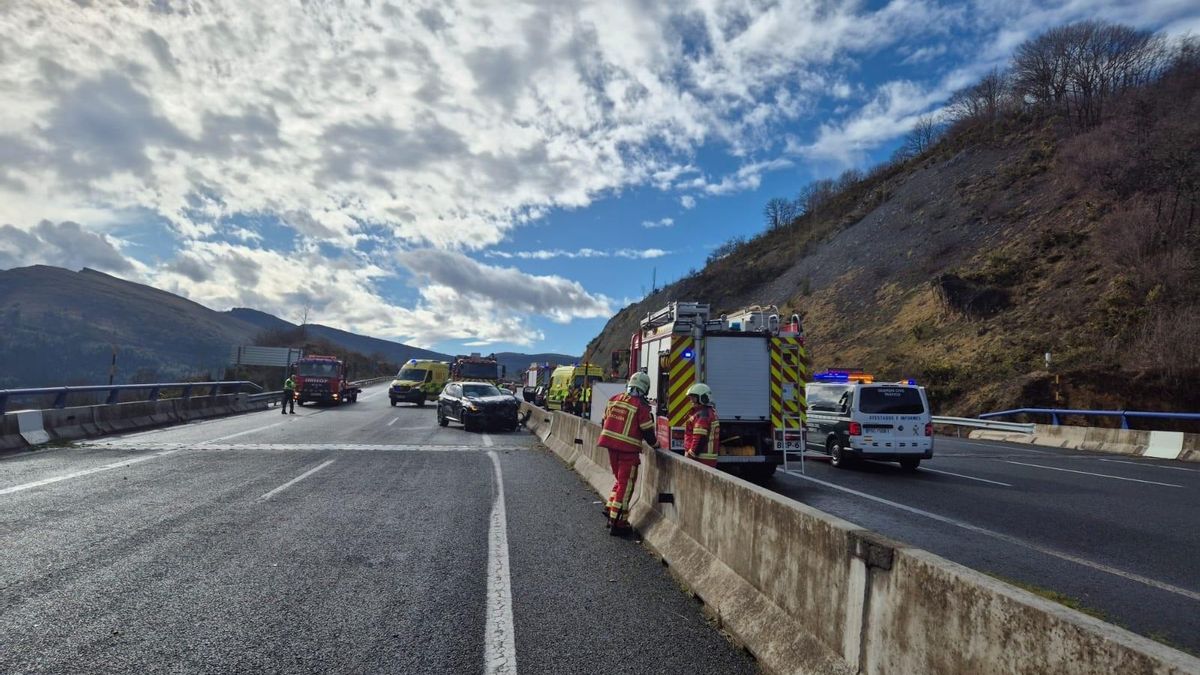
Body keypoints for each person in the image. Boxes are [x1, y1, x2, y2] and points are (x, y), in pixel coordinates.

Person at [597, 372, 658, 536]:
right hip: (628, 450)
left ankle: (610, 508)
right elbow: (647, 431)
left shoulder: (614, 399)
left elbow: (604, 421)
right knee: (626, 484)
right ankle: (618, 522)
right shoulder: (641, 406)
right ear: (645, 387)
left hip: (610, 446)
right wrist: (656, 445)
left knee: (619, 480)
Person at [683, 383, 719, 464]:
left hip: (701, 459)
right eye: (690, 397)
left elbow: (699, 438)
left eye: (694, 398)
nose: (691, 400)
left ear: (703, 398)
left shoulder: (703, 415)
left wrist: (691, 454)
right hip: (705, 458)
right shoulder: (708, 412)